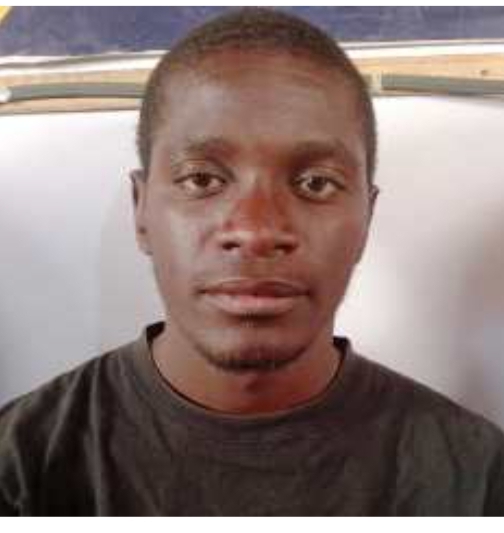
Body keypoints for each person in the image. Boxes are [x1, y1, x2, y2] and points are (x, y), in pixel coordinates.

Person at [0, 7, 503, 516]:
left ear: (366, 221)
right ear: (141, 211)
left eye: (315, 183)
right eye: (202, 179)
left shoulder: (477, 480)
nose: (256, 230)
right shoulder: (21, 466)